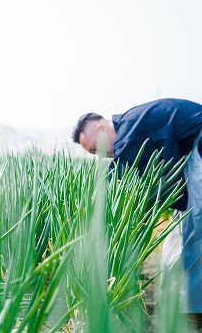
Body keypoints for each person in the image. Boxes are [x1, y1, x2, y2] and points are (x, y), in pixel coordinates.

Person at [72, 98, 202, 325]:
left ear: (101, 129)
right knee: (177, 236)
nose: (101, 156)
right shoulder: (132, 126)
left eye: (95, 149)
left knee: (195, 230)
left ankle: (192, 310)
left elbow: (122, 168)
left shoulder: (130, 126)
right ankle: (177, 303)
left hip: (199, 149)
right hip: (192, 157)